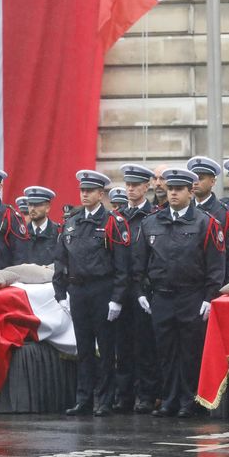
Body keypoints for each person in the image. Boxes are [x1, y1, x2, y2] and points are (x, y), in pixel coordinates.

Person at [134, 168, 225, 418]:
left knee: (190, 351)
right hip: (161, 296)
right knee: (165, 351)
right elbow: (139, 261)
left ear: (189, 191)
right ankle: (168, 399)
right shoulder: (152, 221)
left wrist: (210, 298)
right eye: (170, 189)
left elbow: (215, 265)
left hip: (191, 295)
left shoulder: (205, 222)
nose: (173, 193)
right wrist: (141, 290)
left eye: (178, 189)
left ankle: (189, 400)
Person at [54, 170, 132, 417]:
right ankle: (83, 399)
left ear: (101, 194)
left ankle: (105, 400)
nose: (85, 194)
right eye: (82, 190)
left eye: (90, 191)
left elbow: (122, 265)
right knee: (84, 348)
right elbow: (61, 260)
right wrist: (60, 292)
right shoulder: (72, 222)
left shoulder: (112, 223)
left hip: (102, 289)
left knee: (106, 349)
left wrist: (117, 298)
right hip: (78, 290)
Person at [114, 163, 160, 414]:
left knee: (145, 345)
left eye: (136, 185)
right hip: (121, 287)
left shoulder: (153, 216)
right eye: (128, 185)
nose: (130, 189)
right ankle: (124, 395)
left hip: (144, 288)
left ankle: (146, 394)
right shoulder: (118, 217)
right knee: (122, 344)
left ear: (146, 186)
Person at [23, 187, 61, 265]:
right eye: (30, 204)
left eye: (37, 205)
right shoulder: (21, 233)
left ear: (47, 208)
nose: (32, 209)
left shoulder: (58, 233)